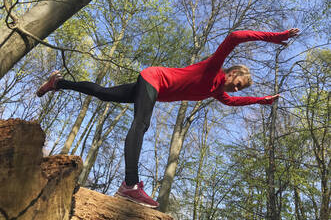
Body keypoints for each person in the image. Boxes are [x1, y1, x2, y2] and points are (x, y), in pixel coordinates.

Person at [36, 28, 300, 208]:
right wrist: (275, 38)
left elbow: (233, 102)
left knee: (104, 93)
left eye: (240, 88)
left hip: (149, 83)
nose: (236, 89)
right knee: (141, 124)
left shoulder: (217, 91)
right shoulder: (213, 71)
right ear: (232, 73)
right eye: (238, 83)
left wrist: (262, 100)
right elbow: (235, 36)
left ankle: (58, 84)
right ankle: (129, 184)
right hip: (154, 80)